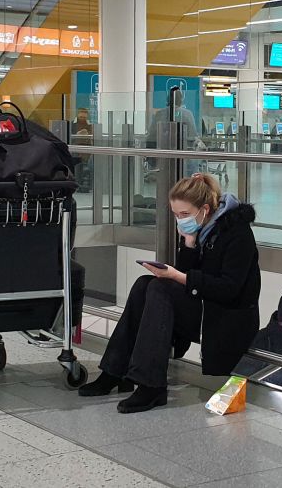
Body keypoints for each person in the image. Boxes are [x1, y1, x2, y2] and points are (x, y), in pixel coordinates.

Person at [79, 173, 260, 413]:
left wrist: (177, 276)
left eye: (184, 215)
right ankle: (114, 371)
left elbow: (229, 289)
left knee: (160, 287)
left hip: (225, 317)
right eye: (176, 215)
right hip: (204, 308)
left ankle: (151, 384)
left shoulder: (237, 234)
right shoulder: (200, 231)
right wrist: (189, 245)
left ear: (205, 209)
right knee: (146, 284)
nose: (180, 220)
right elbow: (187, 276)